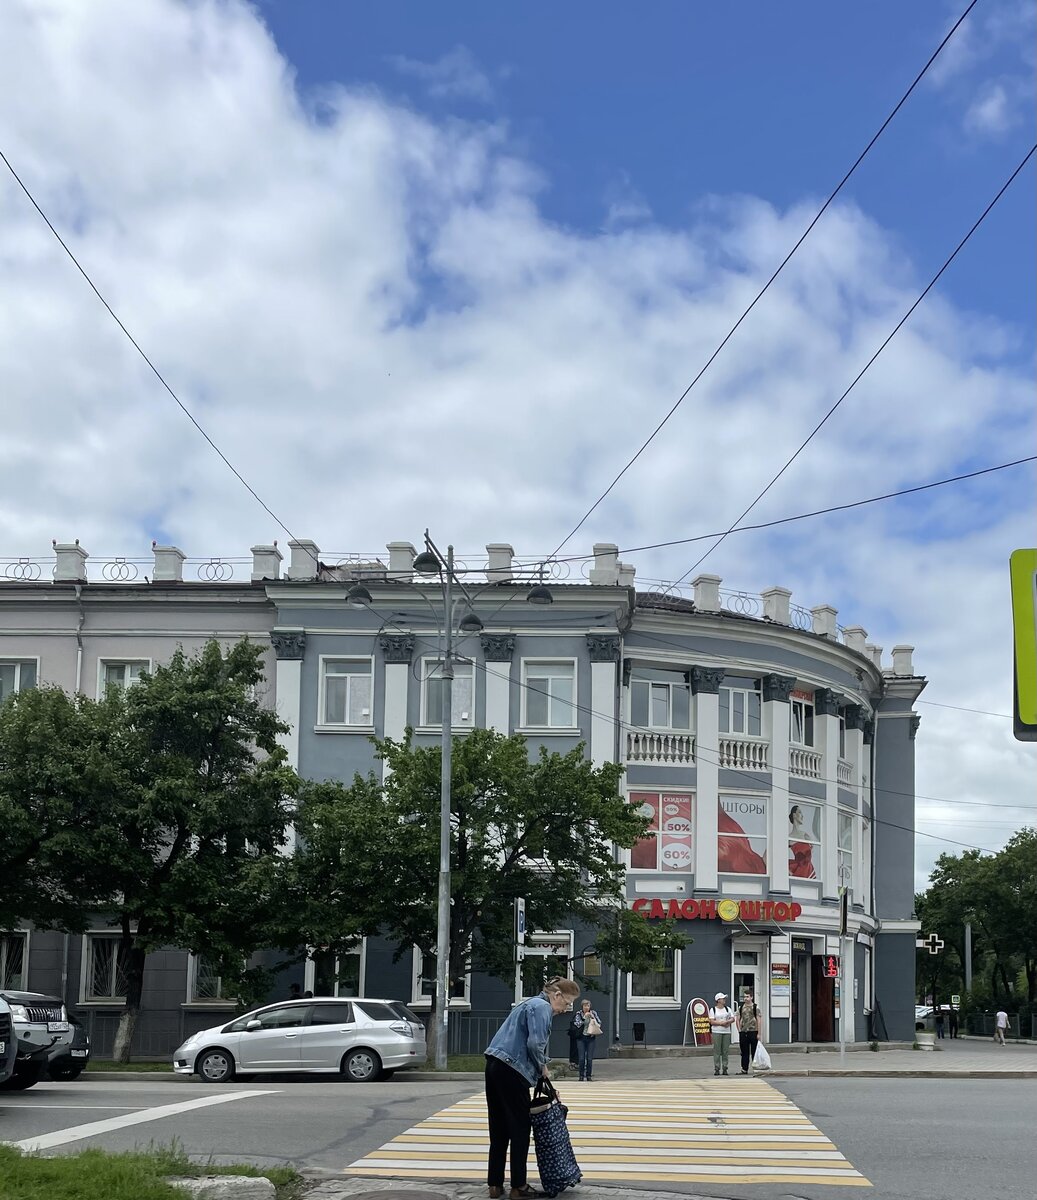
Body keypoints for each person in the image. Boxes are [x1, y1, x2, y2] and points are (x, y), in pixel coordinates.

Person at [484, 976, 580, 1200]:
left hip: (494, 1065)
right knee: (520, 1128)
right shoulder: (542, 1007)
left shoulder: (526, 1004)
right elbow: (535, 1044)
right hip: (512, 1070)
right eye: (566, 1003)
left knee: (498, 1127)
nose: (565, 1009)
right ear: (556, 995)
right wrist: (543, 1068)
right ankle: (519, 1186)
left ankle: (495, 1184)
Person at [572, 998, 602, 1082]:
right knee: (581, 1058)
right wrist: (584, 1018)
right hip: (581, 1038)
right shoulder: (579, 1014)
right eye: (584, 1006)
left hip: (591, 1038)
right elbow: (577, 1024)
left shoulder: (593, 1013)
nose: (586, 1007)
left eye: (587, 1005)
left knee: (589, 1058)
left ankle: (588, 1076)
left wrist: (593, 1018)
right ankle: (581, 1076)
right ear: (582, 1006)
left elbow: (599, 1023)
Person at [709, 991, 735, 1076]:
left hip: (726, 1032)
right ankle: (717, 1068)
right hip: (717, 1032)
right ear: (718, 1000)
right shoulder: (713, 1010)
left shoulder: (728, 1009)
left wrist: (728, 1021)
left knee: (725, 1050)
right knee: (717, 1050)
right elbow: (711, 1021)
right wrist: (721, 1023)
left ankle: (725, 1068)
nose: (724, 1000)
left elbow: (732, 1018)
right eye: (723, 998)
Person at [736, 991, 761, 1074]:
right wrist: (739, 1030)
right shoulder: (741, 1007)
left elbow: (759, 1020)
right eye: (744, 997)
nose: (746, 998)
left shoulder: (755, 1007)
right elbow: (738, 1018)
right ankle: (744, 1069)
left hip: (753, 1031)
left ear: (751, 997)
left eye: (747, 997)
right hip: (744, 1032)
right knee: (744, 1052)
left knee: (754, 1052)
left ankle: (756, 1069)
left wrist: (759, 1033)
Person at [788, 805, 817, 879]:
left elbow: (811, 853)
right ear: (794, 815)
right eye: (800, 812)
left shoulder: (806, 836)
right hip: (798, 871)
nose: (802, 816)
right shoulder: (789, 838)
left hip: (808, 871)